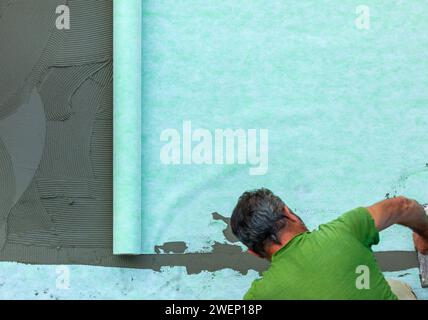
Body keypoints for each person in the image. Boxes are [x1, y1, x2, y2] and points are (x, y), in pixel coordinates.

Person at [231, 188, 428, 299]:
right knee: (395, 287)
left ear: (254, 252)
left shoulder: (257, 297)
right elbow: (403, 206)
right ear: (288, 212)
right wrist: (424, 237)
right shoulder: (345, 230)